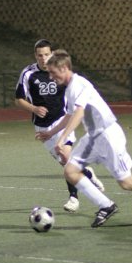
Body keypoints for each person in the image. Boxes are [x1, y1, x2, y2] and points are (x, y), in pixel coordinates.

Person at [37, 50, 132, 227]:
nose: (51, 77)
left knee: (127, 182)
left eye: (53, 72)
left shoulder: (79, 84)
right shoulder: (69, 90)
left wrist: (62, 139)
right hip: (93, 138)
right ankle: (106, 206)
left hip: (109, 136)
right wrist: (51, 134)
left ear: (65, 67)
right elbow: (69, 115)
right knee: (70, 171)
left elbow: (79, 112)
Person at [15, 39, 105, 213]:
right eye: (39, 55)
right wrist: (33, 108)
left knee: (66, 157)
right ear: (35, 56)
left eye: (46, 54)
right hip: (42, 127)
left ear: (52, 54)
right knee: (66, 163)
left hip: (62, 119)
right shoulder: (28, 74)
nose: (43, 58)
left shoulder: (58, 71)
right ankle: (87, 173)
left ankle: (73, 198)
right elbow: (18, 99)